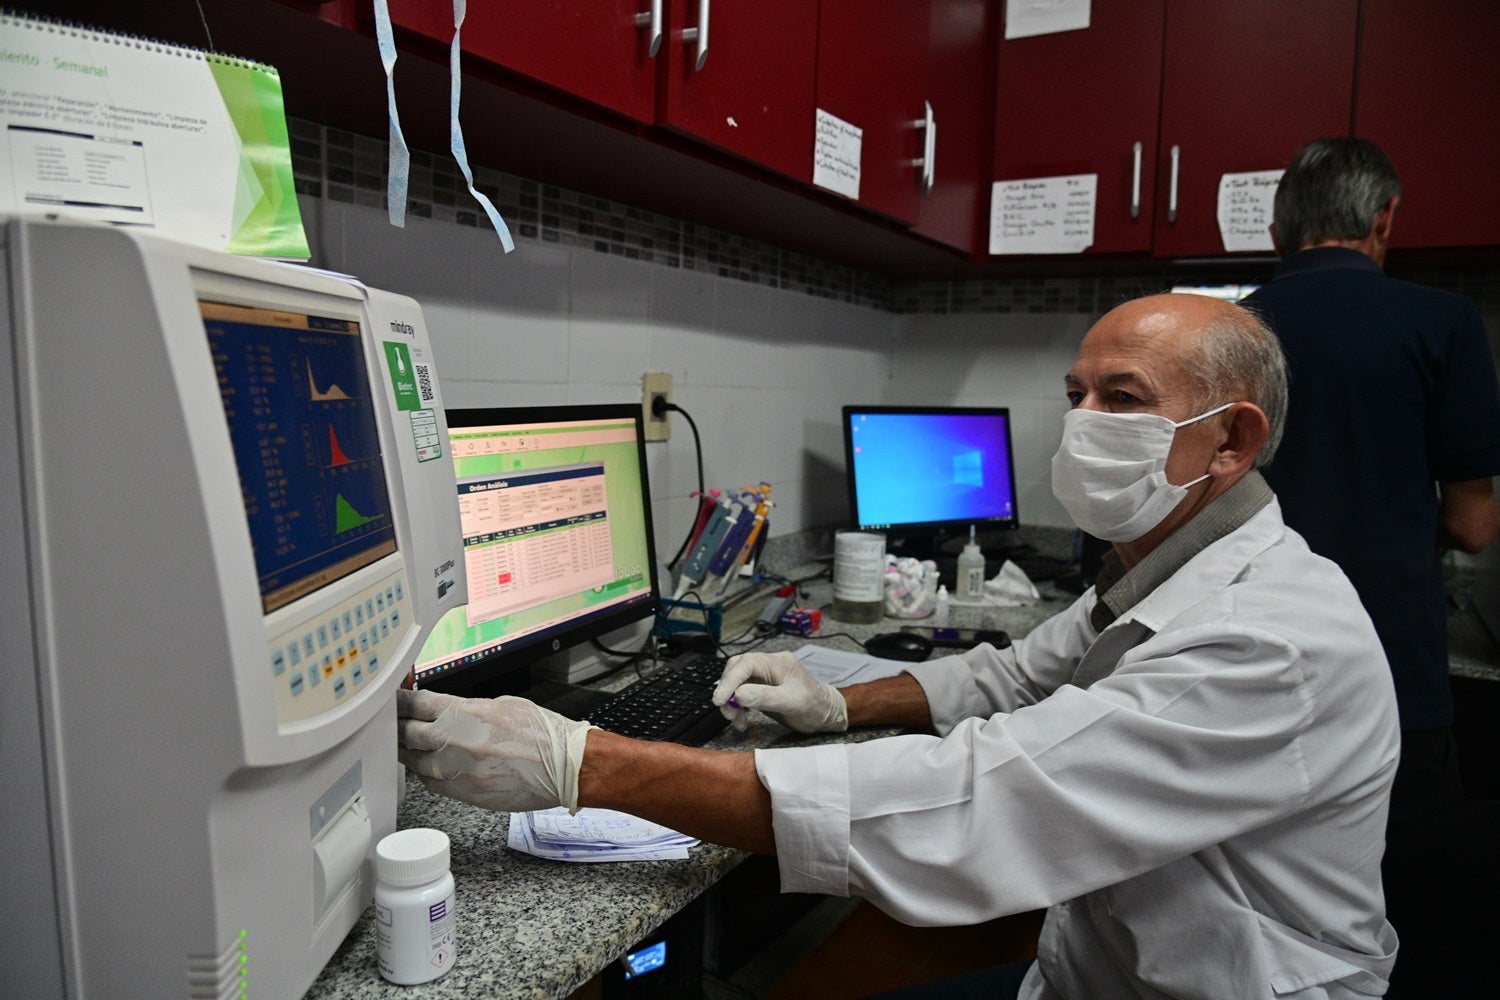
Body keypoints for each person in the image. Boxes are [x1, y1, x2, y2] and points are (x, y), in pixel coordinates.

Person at [399, 293, 1401, 999]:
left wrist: (583, 762)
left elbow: (981, 801)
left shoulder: (1262, 636)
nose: (1081, 422)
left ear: (1230, 442)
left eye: (1123, 398)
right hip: (1104, 969)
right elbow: (1007, 674)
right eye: (1077, 392)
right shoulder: (1165, 566)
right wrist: (838, 703)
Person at [1244, 137, 1500, 829]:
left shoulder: (1226, 330)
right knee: (1399, 902)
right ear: (1386, 218)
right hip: (1385, 673)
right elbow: (1474, 526)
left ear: (1276, 234)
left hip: (1238, 667)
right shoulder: (1443, 323)